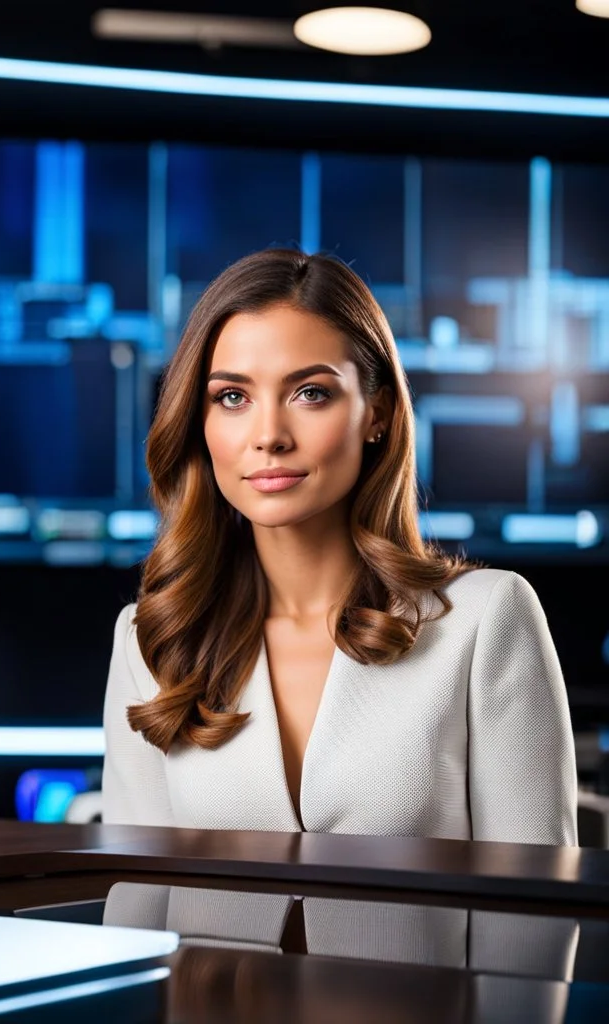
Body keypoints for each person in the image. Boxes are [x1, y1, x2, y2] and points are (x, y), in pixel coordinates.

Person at [102, 247, 577, 845]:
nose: (269, 436)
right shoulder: (151, 639)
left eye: (310, 393)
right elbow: (140, 896)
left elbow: (533, 913)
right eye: (232, 397)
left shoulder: (486, 620)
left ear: (376, 412)